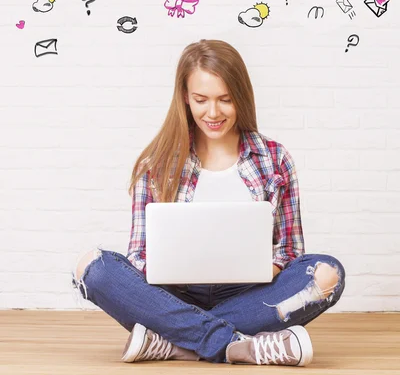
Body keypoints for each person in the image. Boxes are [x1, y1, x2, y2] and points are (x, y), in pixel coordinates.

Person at [71, 39, 346, 366]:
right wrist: (171, 270)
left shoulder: (274, 159)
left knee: (328, 273)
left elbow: (290, 250)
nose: (213, 113)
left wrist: (260, 266)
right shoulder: (156, 164)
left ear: (240, 99)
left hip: (249, 294)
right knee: (94, 269)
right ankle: (235, 345)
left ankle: (175, 342)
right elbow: (139, 255)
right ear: (185, 98)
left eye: (225, 100)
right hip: (174, 294)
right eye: (201, 100)